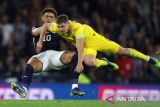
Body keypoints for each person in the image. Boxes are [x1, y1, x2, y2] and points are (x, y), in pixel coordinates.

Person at [37, 14, 160, 73]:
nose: (60, 29)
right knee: (90, 62)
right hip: (87, 46)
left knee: (124, 52)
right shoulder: (56, 26)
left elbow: (79, 48)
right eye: (59, 27)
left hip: (97, 41)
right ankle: (106, 62)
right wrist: (40, 42)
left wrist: (79, 64)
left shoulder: (78, 29)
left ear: (68, 23)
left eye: (63, 27)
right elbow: (45, 27)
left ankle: (148, 58)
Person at [10, 8, 85, 98]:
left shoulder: (60, 29)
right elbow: (35, 32)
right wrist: (51, 28)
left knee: (74, 55)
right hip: (42, 57)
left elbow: (71, 36)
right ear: (42, 18)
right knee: (30, 64)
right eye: (47, 16)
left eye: (51, 17)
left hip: (56, 56)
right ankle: (24, 88)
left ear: (55, 19)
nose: (49, 19)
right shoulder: (36, 28)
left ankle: (74, 88)